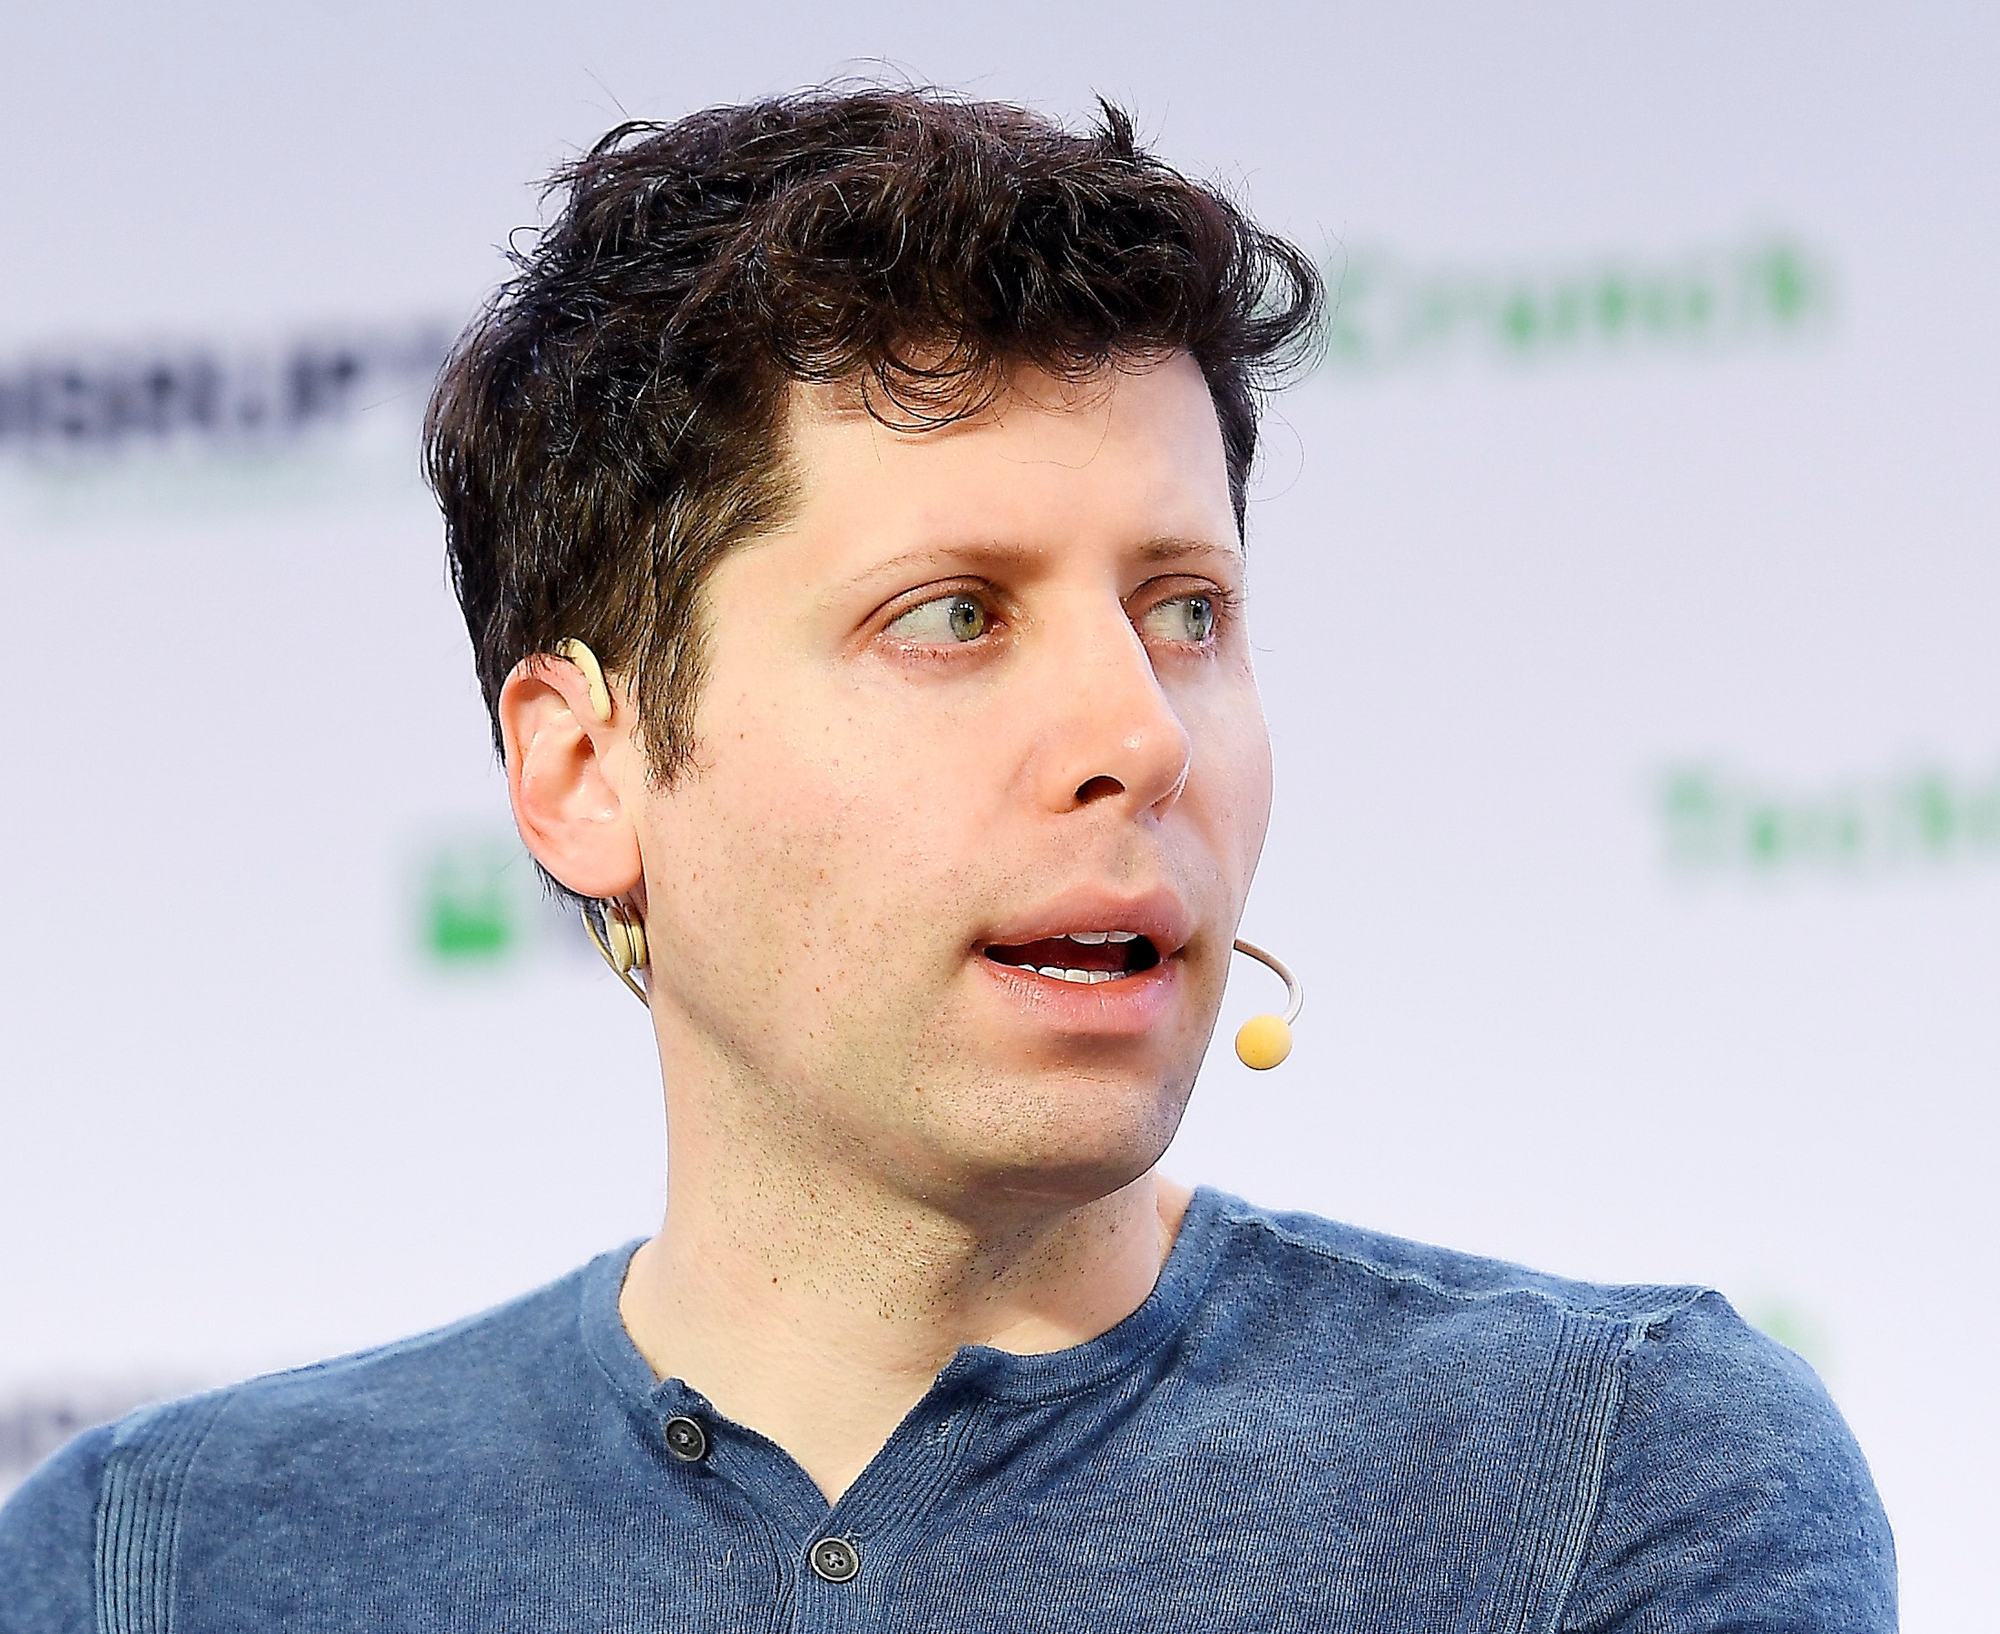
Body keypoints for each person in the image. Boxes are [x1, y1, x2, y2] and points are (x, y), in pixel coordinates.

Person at [0, 88, 1893, 1632]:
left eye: (1186, 611)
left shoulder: (1616, 1475)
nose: (1138, 735)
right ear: (584, 768)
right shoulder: (148, 1564)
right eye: (952, 616)